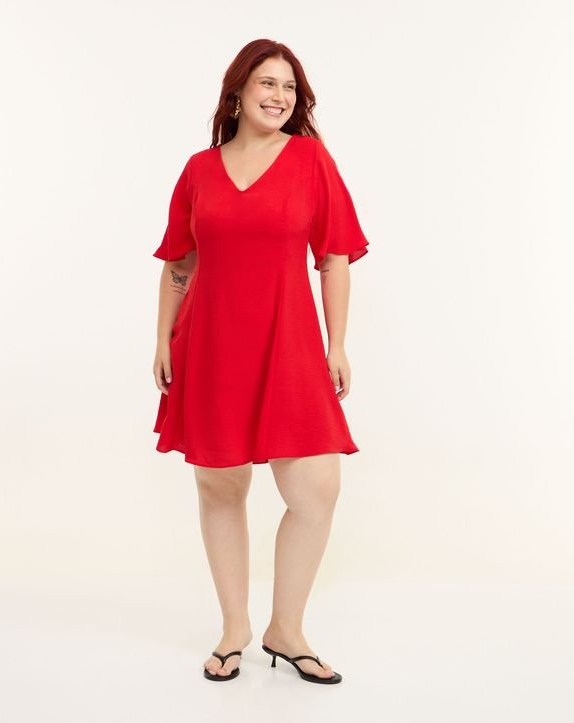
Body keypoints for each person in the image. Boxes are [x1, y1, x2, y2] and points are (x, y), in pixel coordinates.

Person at [152, 39, 370, 684]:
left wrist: (336, 343)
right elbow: (180, 262)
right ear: (238, 93)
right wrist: (162, 339)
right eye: (267, 83)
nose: (279, 96)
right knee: (221, 486)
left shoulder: (310, 159)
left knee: (316, 490)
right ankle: (234, 630)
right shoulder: (199, 169)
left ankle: (287, 629)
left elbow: (334, 256)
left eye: (290, 87)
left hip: (289, 341)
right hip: (211, 343)